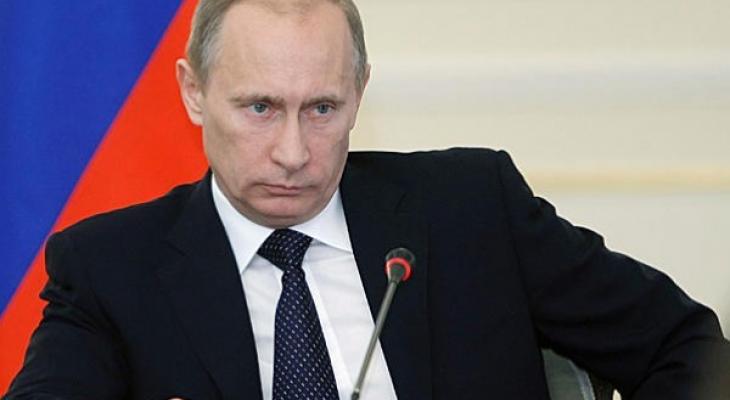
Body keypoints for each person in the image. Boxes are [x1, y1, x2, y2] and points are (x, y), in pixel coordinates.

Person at [5, 0, 729, 399]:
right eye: (260, 108)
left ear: (360, 91)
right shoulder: (110, 268)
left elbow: (689, 348)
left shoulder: (471, 209)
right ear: (194, 92)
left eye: (322, 108)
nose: (293, 152)